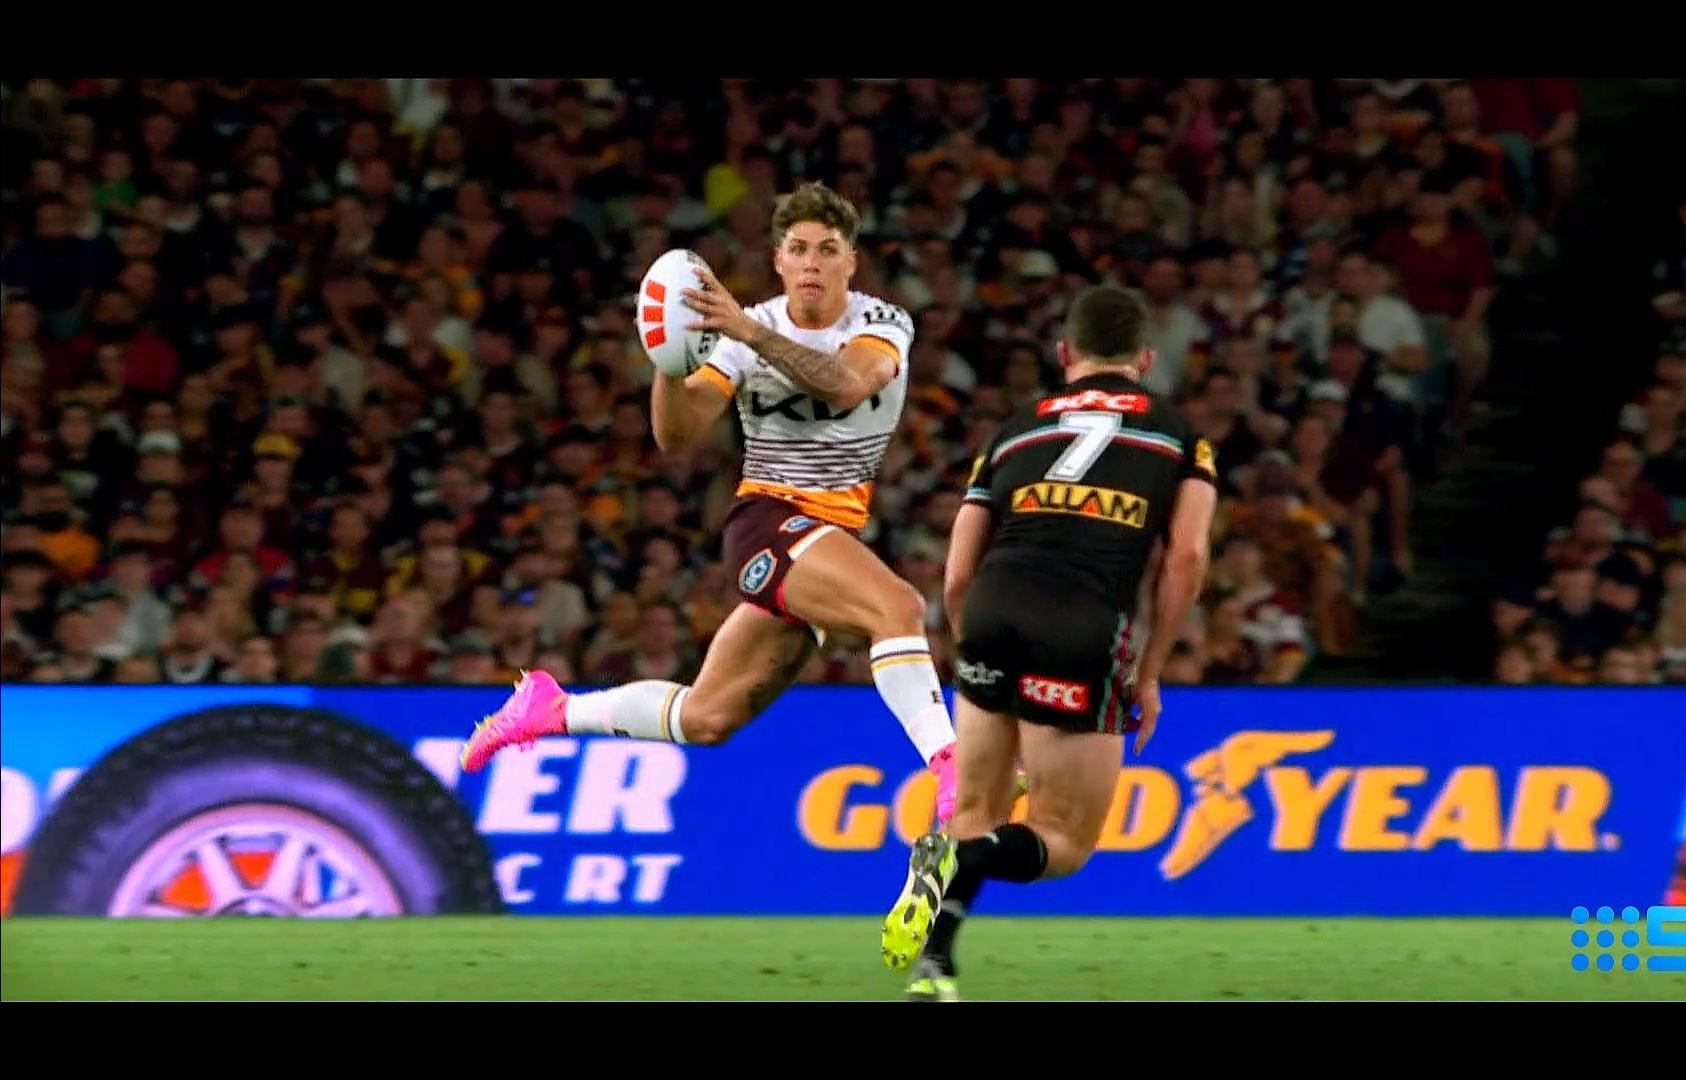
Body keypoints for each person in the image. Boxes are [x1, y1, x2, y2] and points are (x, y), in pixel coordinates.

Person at [459, 182, 961, 822]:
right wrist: (669, 362)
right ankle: (954, 766)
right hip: (767, 524)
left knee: (706, 717)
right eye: (798, 249)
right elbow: (676, 436)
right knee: (899, 606)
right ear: (778, 259)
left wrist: (749, 332)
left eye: (827, 249)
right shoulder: (740, 334)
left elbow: (845, 385)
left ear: (851, 261)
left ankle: (554, 709)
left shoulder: (879, 322)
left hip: (828, 535)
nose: (812, 263)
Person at [878, 285, 1218, 999]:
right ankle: (958, 868)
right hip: (1081, 625)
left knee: (974, 813)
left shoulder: (1012, 431)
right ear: (1145, 360)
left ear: (1065, 353)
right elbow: (1186, 557)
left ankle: (935, 965)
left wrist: (973, 644)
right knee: (1062, 841)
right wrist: (1150, 671)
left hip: (993, 608)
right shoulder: (1180, 437)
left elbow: (958, 569)